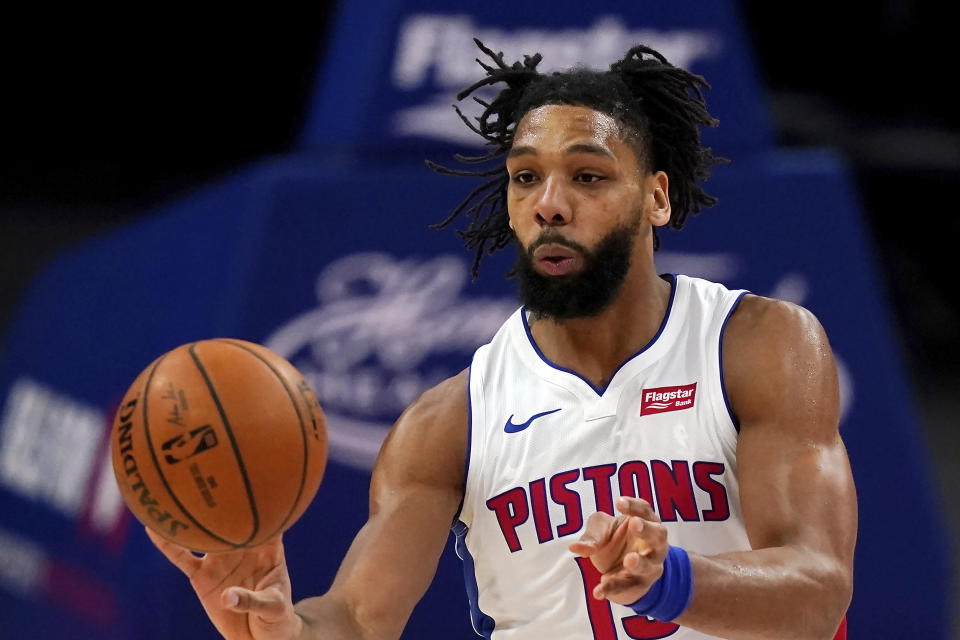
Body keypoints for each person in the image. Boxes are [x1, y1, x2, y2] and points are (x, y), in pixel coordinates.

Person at [148, 40, 857, 639]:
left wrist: (669, 579)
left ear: (657, 197)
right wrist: (282, 630)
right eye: (525, 177)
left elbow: (819, 589)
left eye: (587, 175)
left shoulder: (756, 346)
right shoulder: (450, 421)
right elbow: (358, 619)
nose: (549, 202)